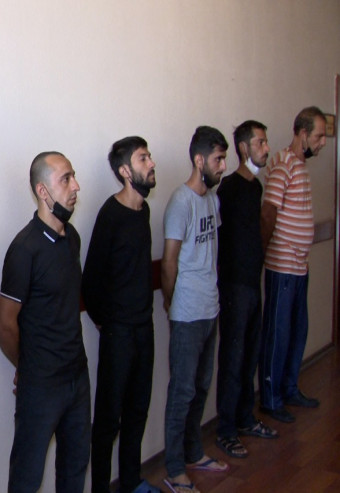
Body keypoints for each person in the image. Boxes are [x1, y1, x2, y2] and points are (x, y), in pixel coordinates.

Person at [0, 151, 90, 493]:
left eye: (73, 176)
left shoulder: (72, 238)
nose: (75, 186)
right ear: (42, 191)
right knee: (27, 477)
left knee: (75, 467)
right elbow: (4, 324)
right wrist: (27, 365)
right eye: (66, 179)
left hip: (77, 376)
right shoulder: (25, 249)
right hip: (42, 386)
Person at [82, 137, 159, 493]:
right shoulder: (110, 215)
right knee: (108, 420)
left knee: (138, 411)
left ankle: (131, 482)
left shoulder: (144, 211)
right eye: (144, 159)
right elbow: (91, 280)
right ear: (126, 171)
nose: (152, 163)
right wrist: (109, 324)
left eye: (149, 156)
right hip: (119, 334)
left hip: (145, 328)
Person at [161, 126, 230, 493]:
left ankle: (193, 452)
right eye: (218, 159)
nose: (223, 165)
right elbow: (169, 261)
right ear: (199, 160)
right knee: (182, 391)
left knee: (201, 386)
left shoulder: (212, 201)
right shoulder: (180, 201)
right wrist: (171, 301)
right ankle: (175, 470)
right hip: (187, 312)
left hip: (210, 308)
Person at [214, 121, 278, 460]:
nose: (266, 148)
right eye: (260, 142)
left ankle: (244, 418)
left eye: (266, 142)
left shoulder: (256, 187)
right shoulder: (229, 188)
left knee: (250, 353)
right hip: (234, 285)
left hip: (253, 282)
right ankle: (226, 430)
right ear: (244, 148)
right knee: (233, 357)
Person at [259, 106, 327, 423]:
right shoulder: (283, 164)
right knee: (278, 333)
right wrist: (265, 252)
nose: (323, 142)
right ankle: (271, 400)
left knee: (298, 330)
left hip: (300, 266)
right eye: (319, 136)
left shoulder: (301, 166)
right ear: (302, 133)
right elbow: (268, 212)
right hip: (282, 265)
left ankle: (289, 388)